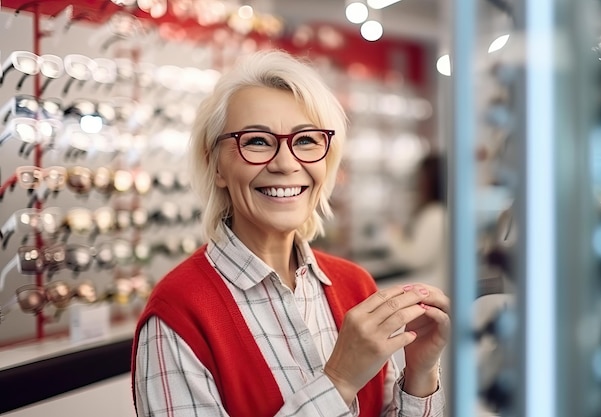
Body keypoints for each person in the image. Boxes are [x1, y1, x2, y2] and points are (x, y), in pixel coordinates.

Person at [131, 50, 450, 417]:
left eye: (306, 141)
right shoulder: (179, 314)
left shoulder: (355, 286)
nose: (285, 163)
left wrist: (420, 374)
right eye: (256, 141)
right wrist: (340, 380)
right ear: (215, 164)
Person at [387, 154, 448, 293]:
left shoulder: (435, 214)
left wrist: (394, 234)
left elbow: (416, 259)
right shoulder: (440, 212)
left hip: (432, 287)